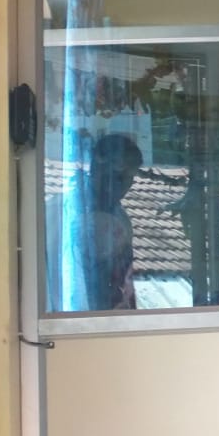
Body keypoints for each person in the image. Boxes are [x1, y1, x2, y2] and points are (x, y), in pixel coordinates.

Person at [48, 133, 141, 311]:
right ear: (96, 169)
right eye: (117, 176)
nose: (123, 186)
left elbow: (124, 277)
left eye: (129, 178)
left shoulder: (122, 220)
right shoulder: (60, 212)